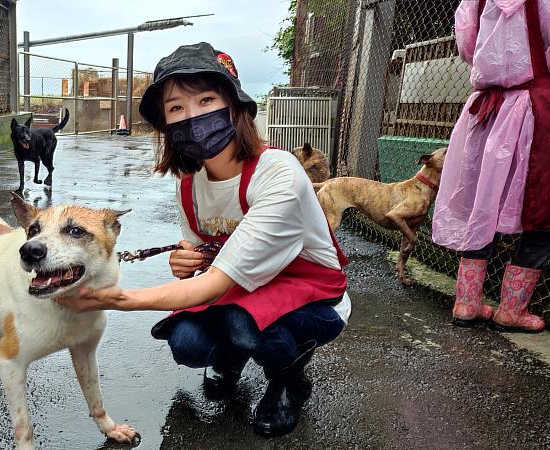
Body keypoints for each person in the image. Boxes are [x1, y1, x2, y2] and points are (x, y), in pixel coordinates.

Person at [56, 42, 351, 438]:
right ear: (165, 123)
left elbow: (214, 284)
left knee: (241, 323)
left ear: (235, 106)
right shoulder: (190, 185)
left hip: (312, 296)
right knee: (186, 341)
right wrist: (187, 260)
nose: (192, 116)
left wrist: (119, 299)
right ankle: (236, 355)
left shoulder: (278, 173)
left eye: (207, 99)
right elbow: (204, 264)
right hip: (243, 291)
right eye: (176, 108)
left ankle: (289, 380)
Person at [432, 0, 550, 332]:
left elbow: (467, 46)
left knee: (483, 202)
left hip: (488, 109)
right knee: (544, 206)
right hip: (542, 105)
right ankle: (512, 309)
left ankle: (466, 302)